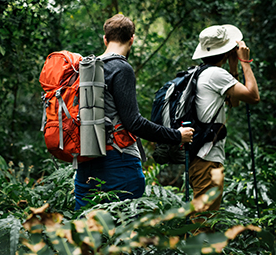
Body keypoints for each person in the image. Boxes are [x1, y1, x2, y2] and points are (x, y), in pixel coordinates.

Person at [74, 14, 194, 210]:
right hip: (118, 162)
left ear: (105, 39)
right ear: (132, 39)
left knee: (87, 231)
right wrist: (176, 136)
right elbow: (134, 123)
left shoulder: (86, 67)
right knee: (125, 230)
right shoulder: (121, 68)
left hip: (85, 160)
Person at [189, 24, 260, 213]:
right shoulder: (215, 74)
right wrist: (245, 62)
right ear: (226, 50)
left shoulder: (202, 72)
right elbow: (253, 96)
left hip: (201, 158)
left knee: (204, 221)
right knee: (202, 225)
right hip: (207, 159)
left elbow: (234, 103)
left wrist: (234, 66)